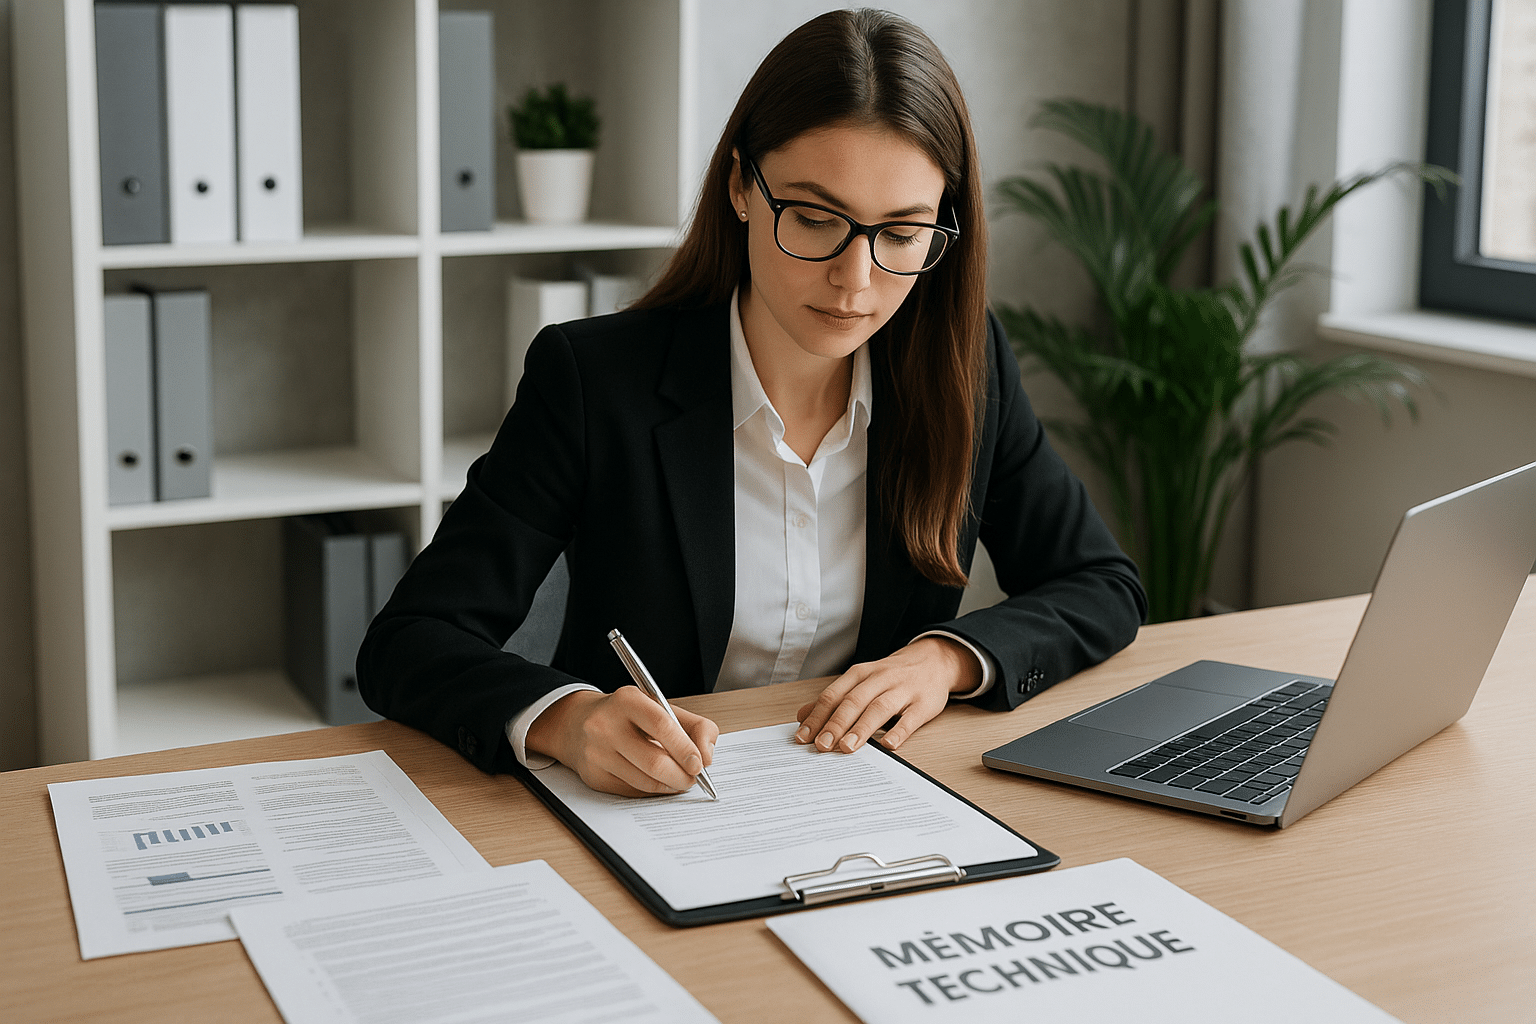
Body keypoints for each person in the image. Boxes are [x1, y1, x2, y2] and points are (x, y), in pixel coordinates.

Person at [357, 8, 1146, 797]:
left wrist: (944, 660)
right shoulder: (594, 380)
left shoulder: (964, 369)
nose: (856, 280)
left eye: (902, 233)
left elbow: (1100, 584)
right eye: (815, 219)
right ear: (741, 184)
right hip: (643, 808)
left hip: (864, 797)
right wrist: (568, 720)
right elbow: (410, 640)